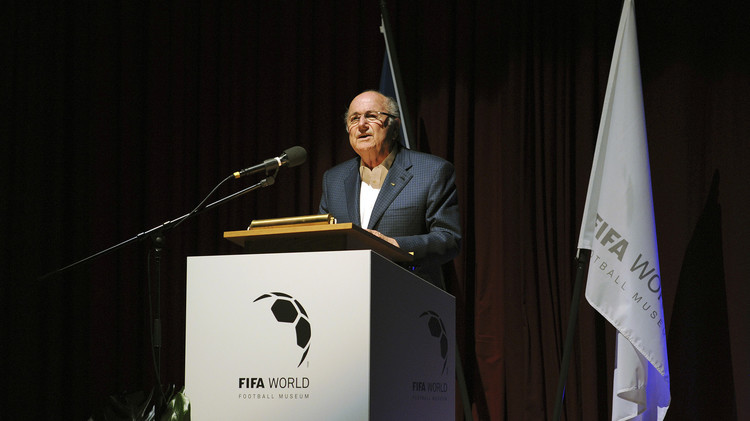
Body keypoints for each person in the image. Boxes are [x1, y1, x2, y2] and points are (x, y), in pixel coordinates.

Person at [319, 90, 461, 287]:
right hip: (346, 290)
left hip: (407, 292)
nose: (361, 125)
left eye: (371, 116)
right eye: (354, 118)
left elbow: (449, 239)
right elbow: (323, 239)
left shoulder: (432, 171)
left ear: (394, 127)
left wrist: (395, 246)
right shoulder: (333, 179)